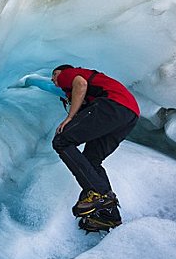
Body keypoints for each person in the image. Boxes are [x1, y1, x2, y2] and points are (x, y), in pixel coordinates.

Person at [51, 64, 139, 233]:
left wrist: (69, 117)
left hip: (113, 104)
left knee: (61, 141)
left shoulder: (68, 75)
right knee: (92, 160)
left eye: (54, 75)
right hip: (129, 114)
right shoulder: (84, 89)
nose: (54, 80)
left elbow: (81, 84)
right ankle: (109, 215)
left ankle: (98, 194)